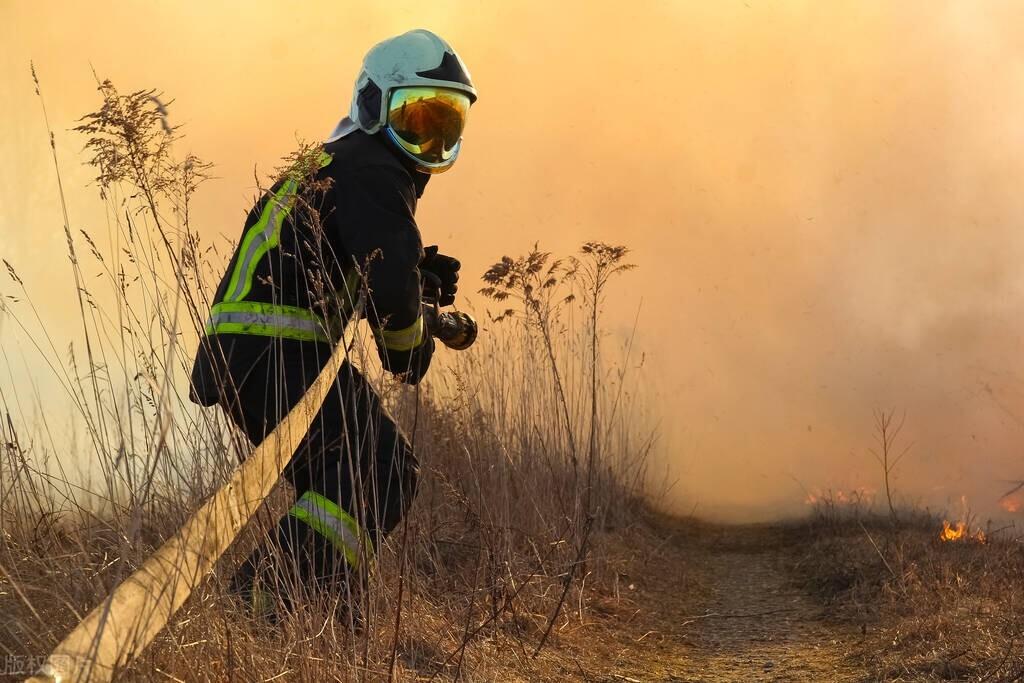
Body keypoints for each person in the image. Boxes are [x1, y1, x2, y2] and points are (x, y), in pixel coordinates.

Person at [188, 28, 476, 617]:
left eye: (444, 125)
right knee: (376, 472)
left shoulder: (346, 163)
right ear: (374, 105)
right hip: (273, 355)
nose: (429, 139)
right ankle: (258, 605)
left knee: (371, 472)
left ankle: (321, 604)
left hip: (264, 353)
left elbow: (352, 261)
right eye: (417, 118)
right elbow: (394, 316)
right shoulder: (373, 171)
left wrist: (414, 270)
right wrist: (413, 334)